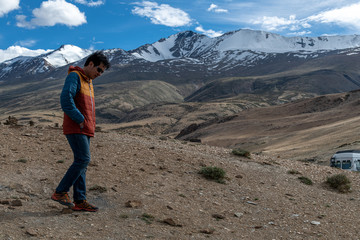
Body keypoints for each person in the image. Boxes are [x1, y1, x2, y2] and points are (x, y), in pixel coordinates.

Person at [51, 51, 110, 212]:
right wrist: (79, 119)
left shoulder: (88, 82)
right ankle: (60, 192)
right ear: (90, 63)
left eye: (102, 72)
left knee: (82, 163)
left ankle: (80, 200)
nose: (99, 74)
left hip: (85, 128)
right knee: (83, 159)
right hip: (76, 126)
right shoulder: (75, 76)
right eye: (99, 69)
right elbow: (65, 99)